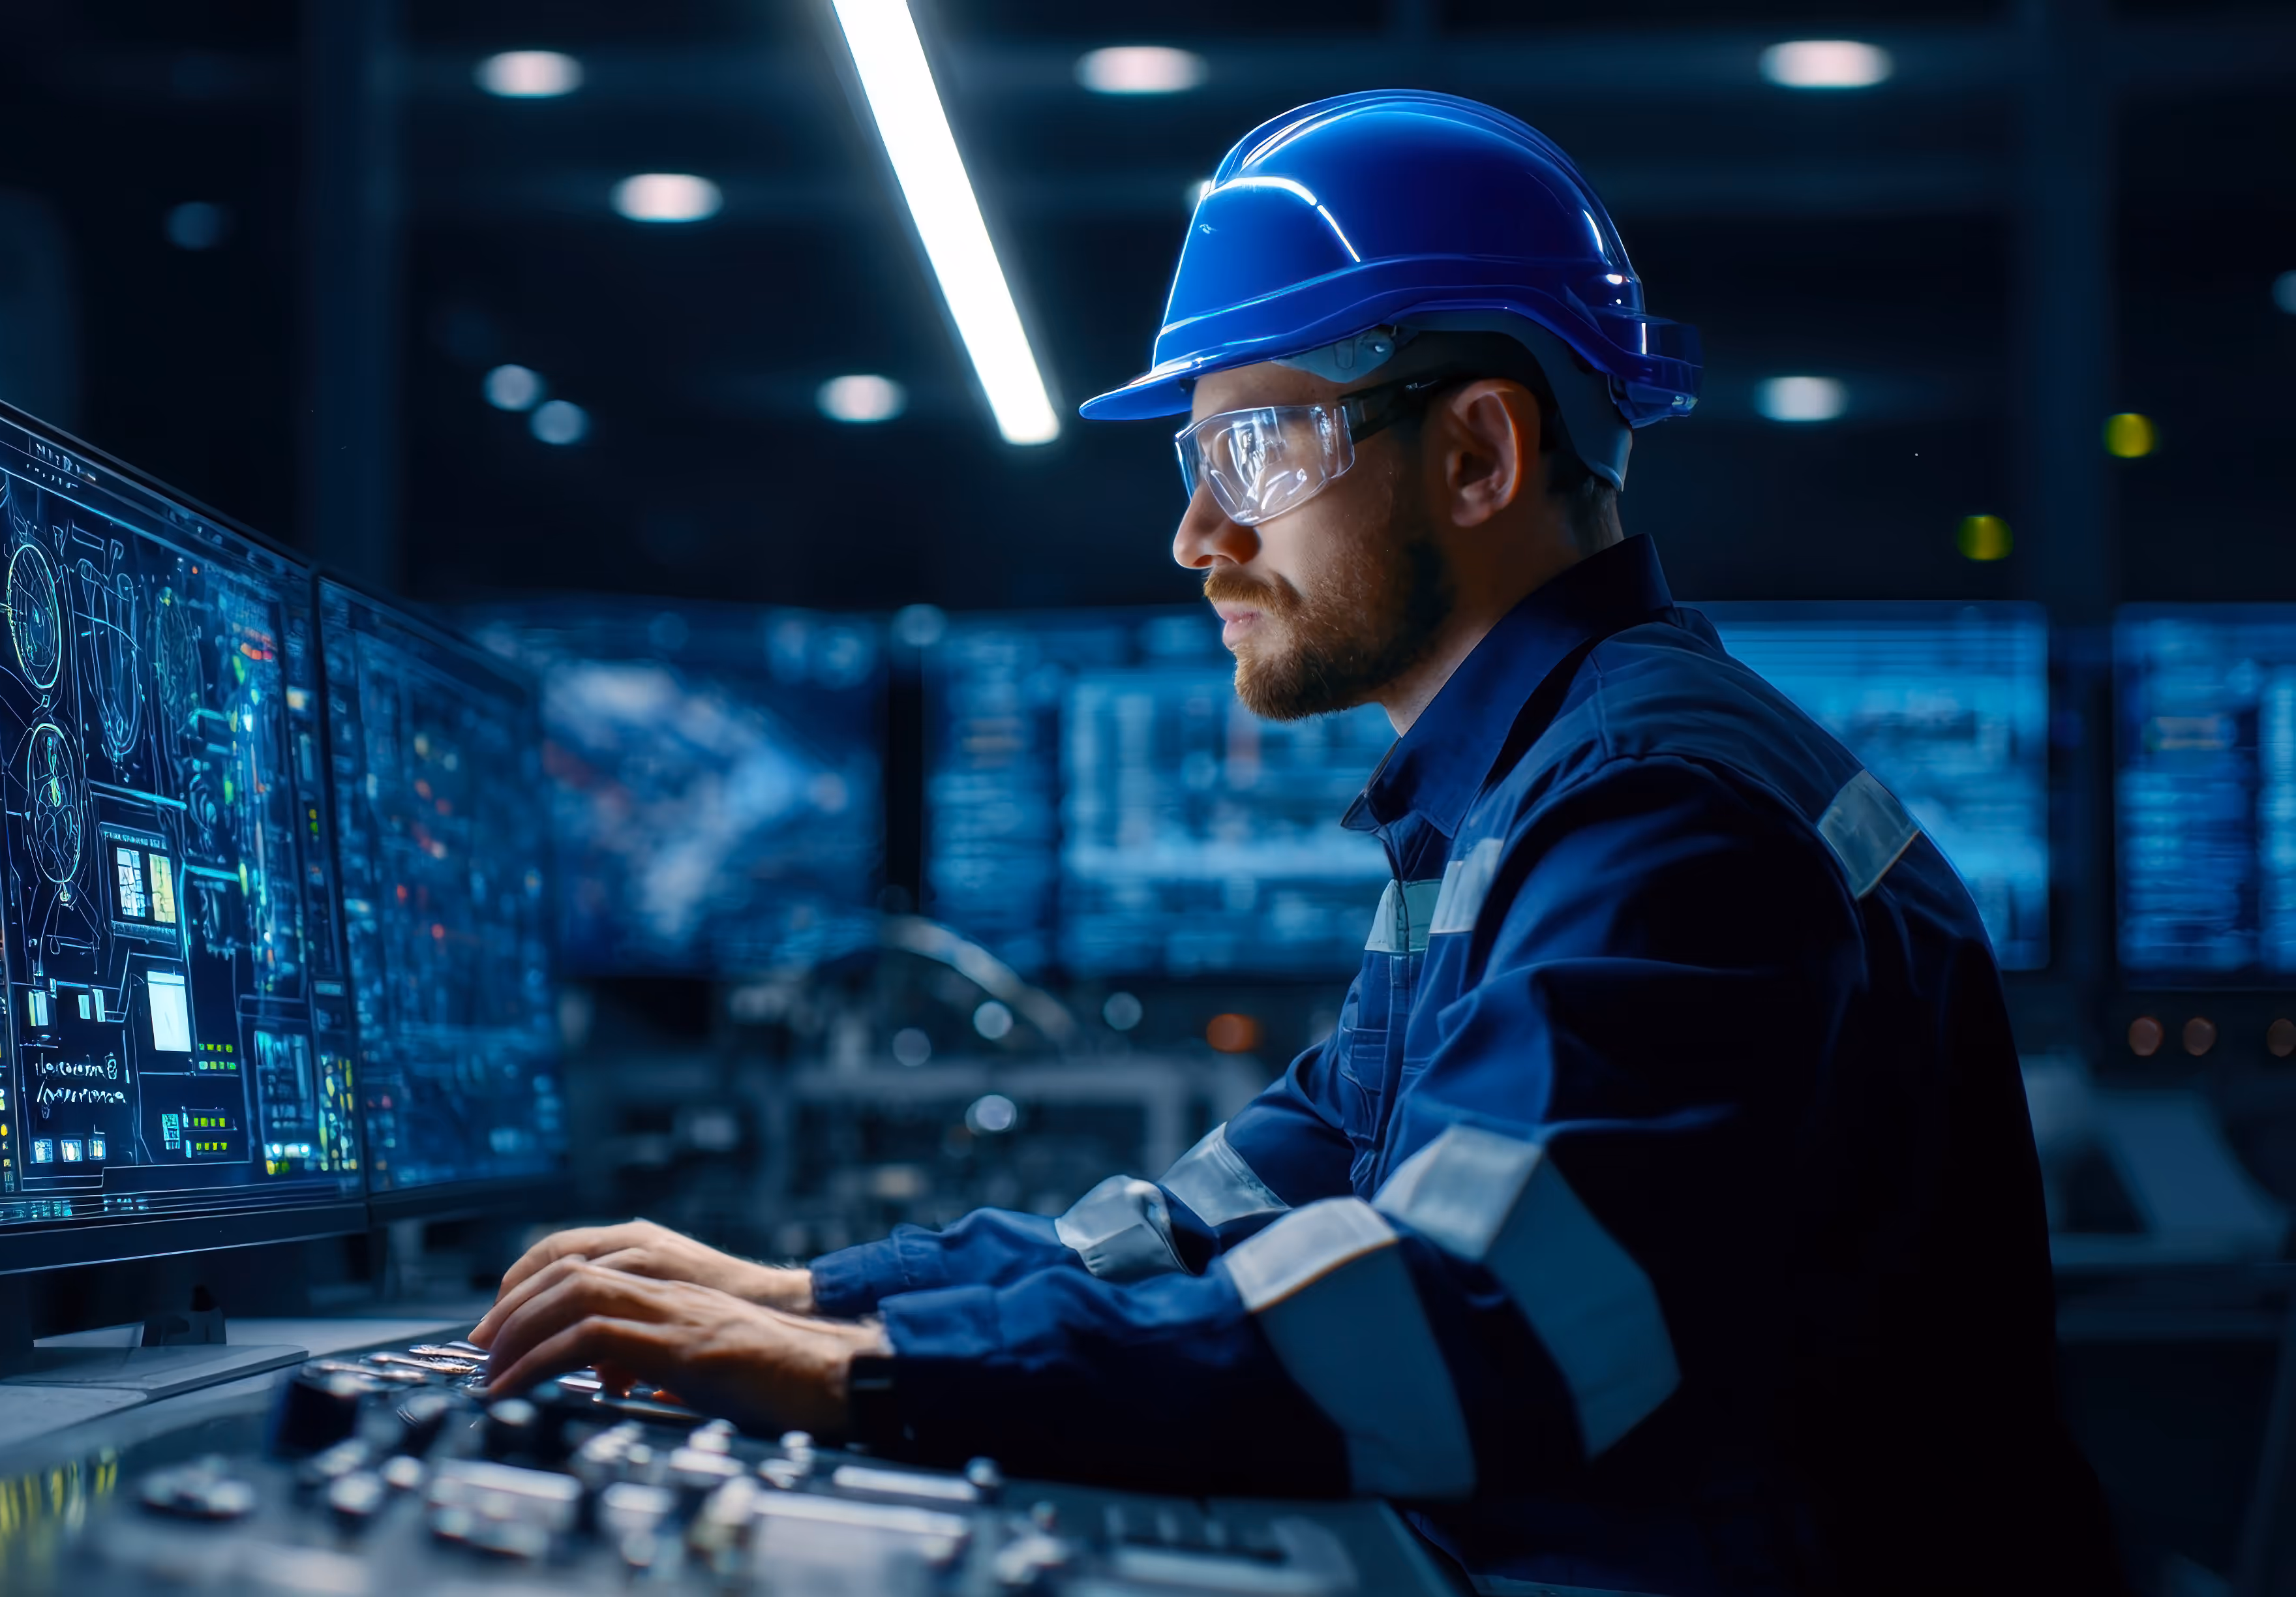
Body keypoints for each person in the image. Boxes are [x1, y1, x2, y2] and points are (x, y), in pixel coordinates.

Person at [470, 91, 2120, 1594]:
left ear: (1478, 452)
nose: (1198, 532)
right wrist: (821, 1298)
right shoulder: (1519, 797)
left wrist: (870, 1382)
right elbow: (1239, 1209)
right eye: (1200, 458)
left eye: (1257, 446)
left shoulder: (1661, 810)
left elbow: (1467, 1329)